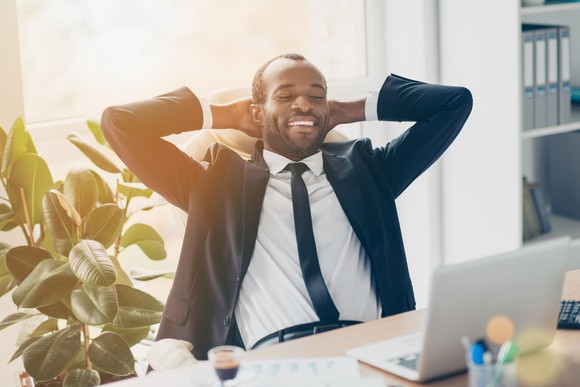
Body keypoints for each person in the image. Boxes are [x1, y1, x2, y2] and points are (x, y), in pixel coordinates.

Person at [101, 53, 472, 360]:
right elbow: (120, 123)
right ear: (258, 113)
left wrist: (349, 110)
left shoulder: (369, 172)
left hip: (371, 354)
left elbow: (453, 103)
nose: (304, 104)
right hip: (272, 363)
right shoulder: (213, 185)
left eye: (317, 95)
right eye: (285, 95)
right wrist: (223, 116)